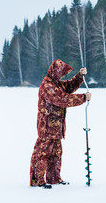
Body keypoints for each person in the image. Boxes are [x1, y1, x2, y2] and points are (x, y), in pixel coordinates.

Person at [29, 59, 91, 189]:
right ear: (55, 72)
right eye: (61, 73)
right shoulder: (47, 86)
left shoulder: (56, 83)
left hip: (57, 127)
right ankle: (37, 181)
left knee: (56, 154)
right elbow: (62, 99)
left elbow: (69, 86)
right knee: (42, 153)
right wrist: (83, 98)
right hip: (46, 127)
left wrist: (80, 76)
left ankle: (54, 178)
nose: (62, 76)